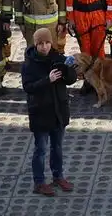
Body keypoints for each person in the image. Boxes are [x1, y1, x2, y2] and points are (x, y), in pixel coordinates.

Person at [21, 27, 77, 196]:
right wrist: (48, 80)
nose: (44, 47)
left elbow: (70, 80)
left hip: (58, 111)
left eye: (47, 43)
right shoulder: (29, 64)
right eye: (41, 44)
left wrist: (69, 69)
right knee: (41, 149)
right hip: (40, 113)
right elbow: (28, 87)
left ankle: (58, 176)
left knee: (57, 147)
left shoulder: (57, 58)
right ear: (35, 45)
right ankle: (39, 182)